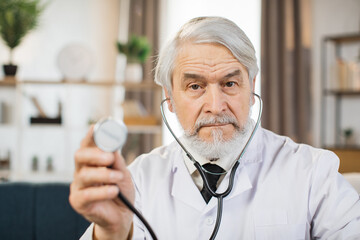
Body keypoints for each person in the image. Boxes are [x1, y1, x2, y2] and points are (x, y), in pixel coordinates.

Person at [69, 16, 360, 240]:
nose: (216, 105)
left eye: (230, 84)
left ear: (252, 87)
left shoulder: (313, 173)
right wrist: (113, 232)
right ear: (169, 98)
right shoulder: (138, 182)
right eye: (195, 86)